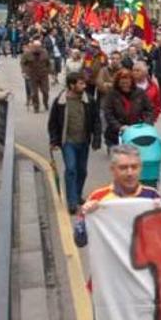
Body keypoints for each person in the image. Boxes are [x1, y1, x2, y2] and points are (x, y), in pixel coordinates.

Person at [48, 72, 102, 214]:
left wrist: (97, 138)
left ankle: (77, 195)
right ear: (72, 85)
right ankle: (72, 202)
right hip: (68, 142)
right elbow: (53, 123)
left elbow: (96, 120)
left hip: (83, 141)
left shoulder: (89, 100)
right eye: (80, 83)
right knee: (71, 169)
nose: (84, 86)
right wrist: (54, 140)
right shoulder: (60, 102)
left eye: (84, 83)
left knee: (82, 170)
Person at [82, 145, 161, 214]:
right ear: (112, 169)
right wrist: (88, 213)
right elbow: (81, 228)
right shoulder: (98, 197)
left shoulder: (152, 196)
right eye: (123, 168)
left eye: (134, 167)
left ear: (141, 168)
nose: (129, 173)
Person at [101, 68, 154, 150]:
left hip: (136, 131)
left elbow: (149, 110)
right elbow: (108, 113)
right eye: (122, 83)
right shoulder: (112, 94)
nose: (125, 85)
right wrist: (119, 127)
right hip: (116, 134)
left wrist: (146, 124)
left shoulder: (140, 93)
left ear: (132, 82)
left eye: (127, 83)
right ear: (118, 83)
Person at [21, 40, 52, 113]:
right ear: (33, 46)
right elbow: (23, 63)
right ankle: (36, 107)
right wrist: (25, 71)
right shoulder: (27, 53)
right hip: (32, 75)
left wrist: (49, 71)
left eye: (38, 47)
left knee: (45, 91)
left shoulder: (45, 52)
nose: (37, 48)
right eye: (35, 47)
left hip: (43, 75)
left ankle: (45, 103)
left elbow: (49, 63)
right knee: (34, 93)